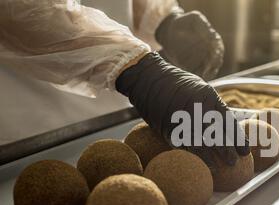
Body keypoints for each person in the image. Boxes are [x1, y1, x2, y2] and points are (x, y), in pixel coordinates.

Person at [0, 0, 249, 166]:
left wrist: (162, 18)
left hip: (120, 114)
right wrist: (134, 68)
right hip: (30, 130)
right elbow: (19, 9)